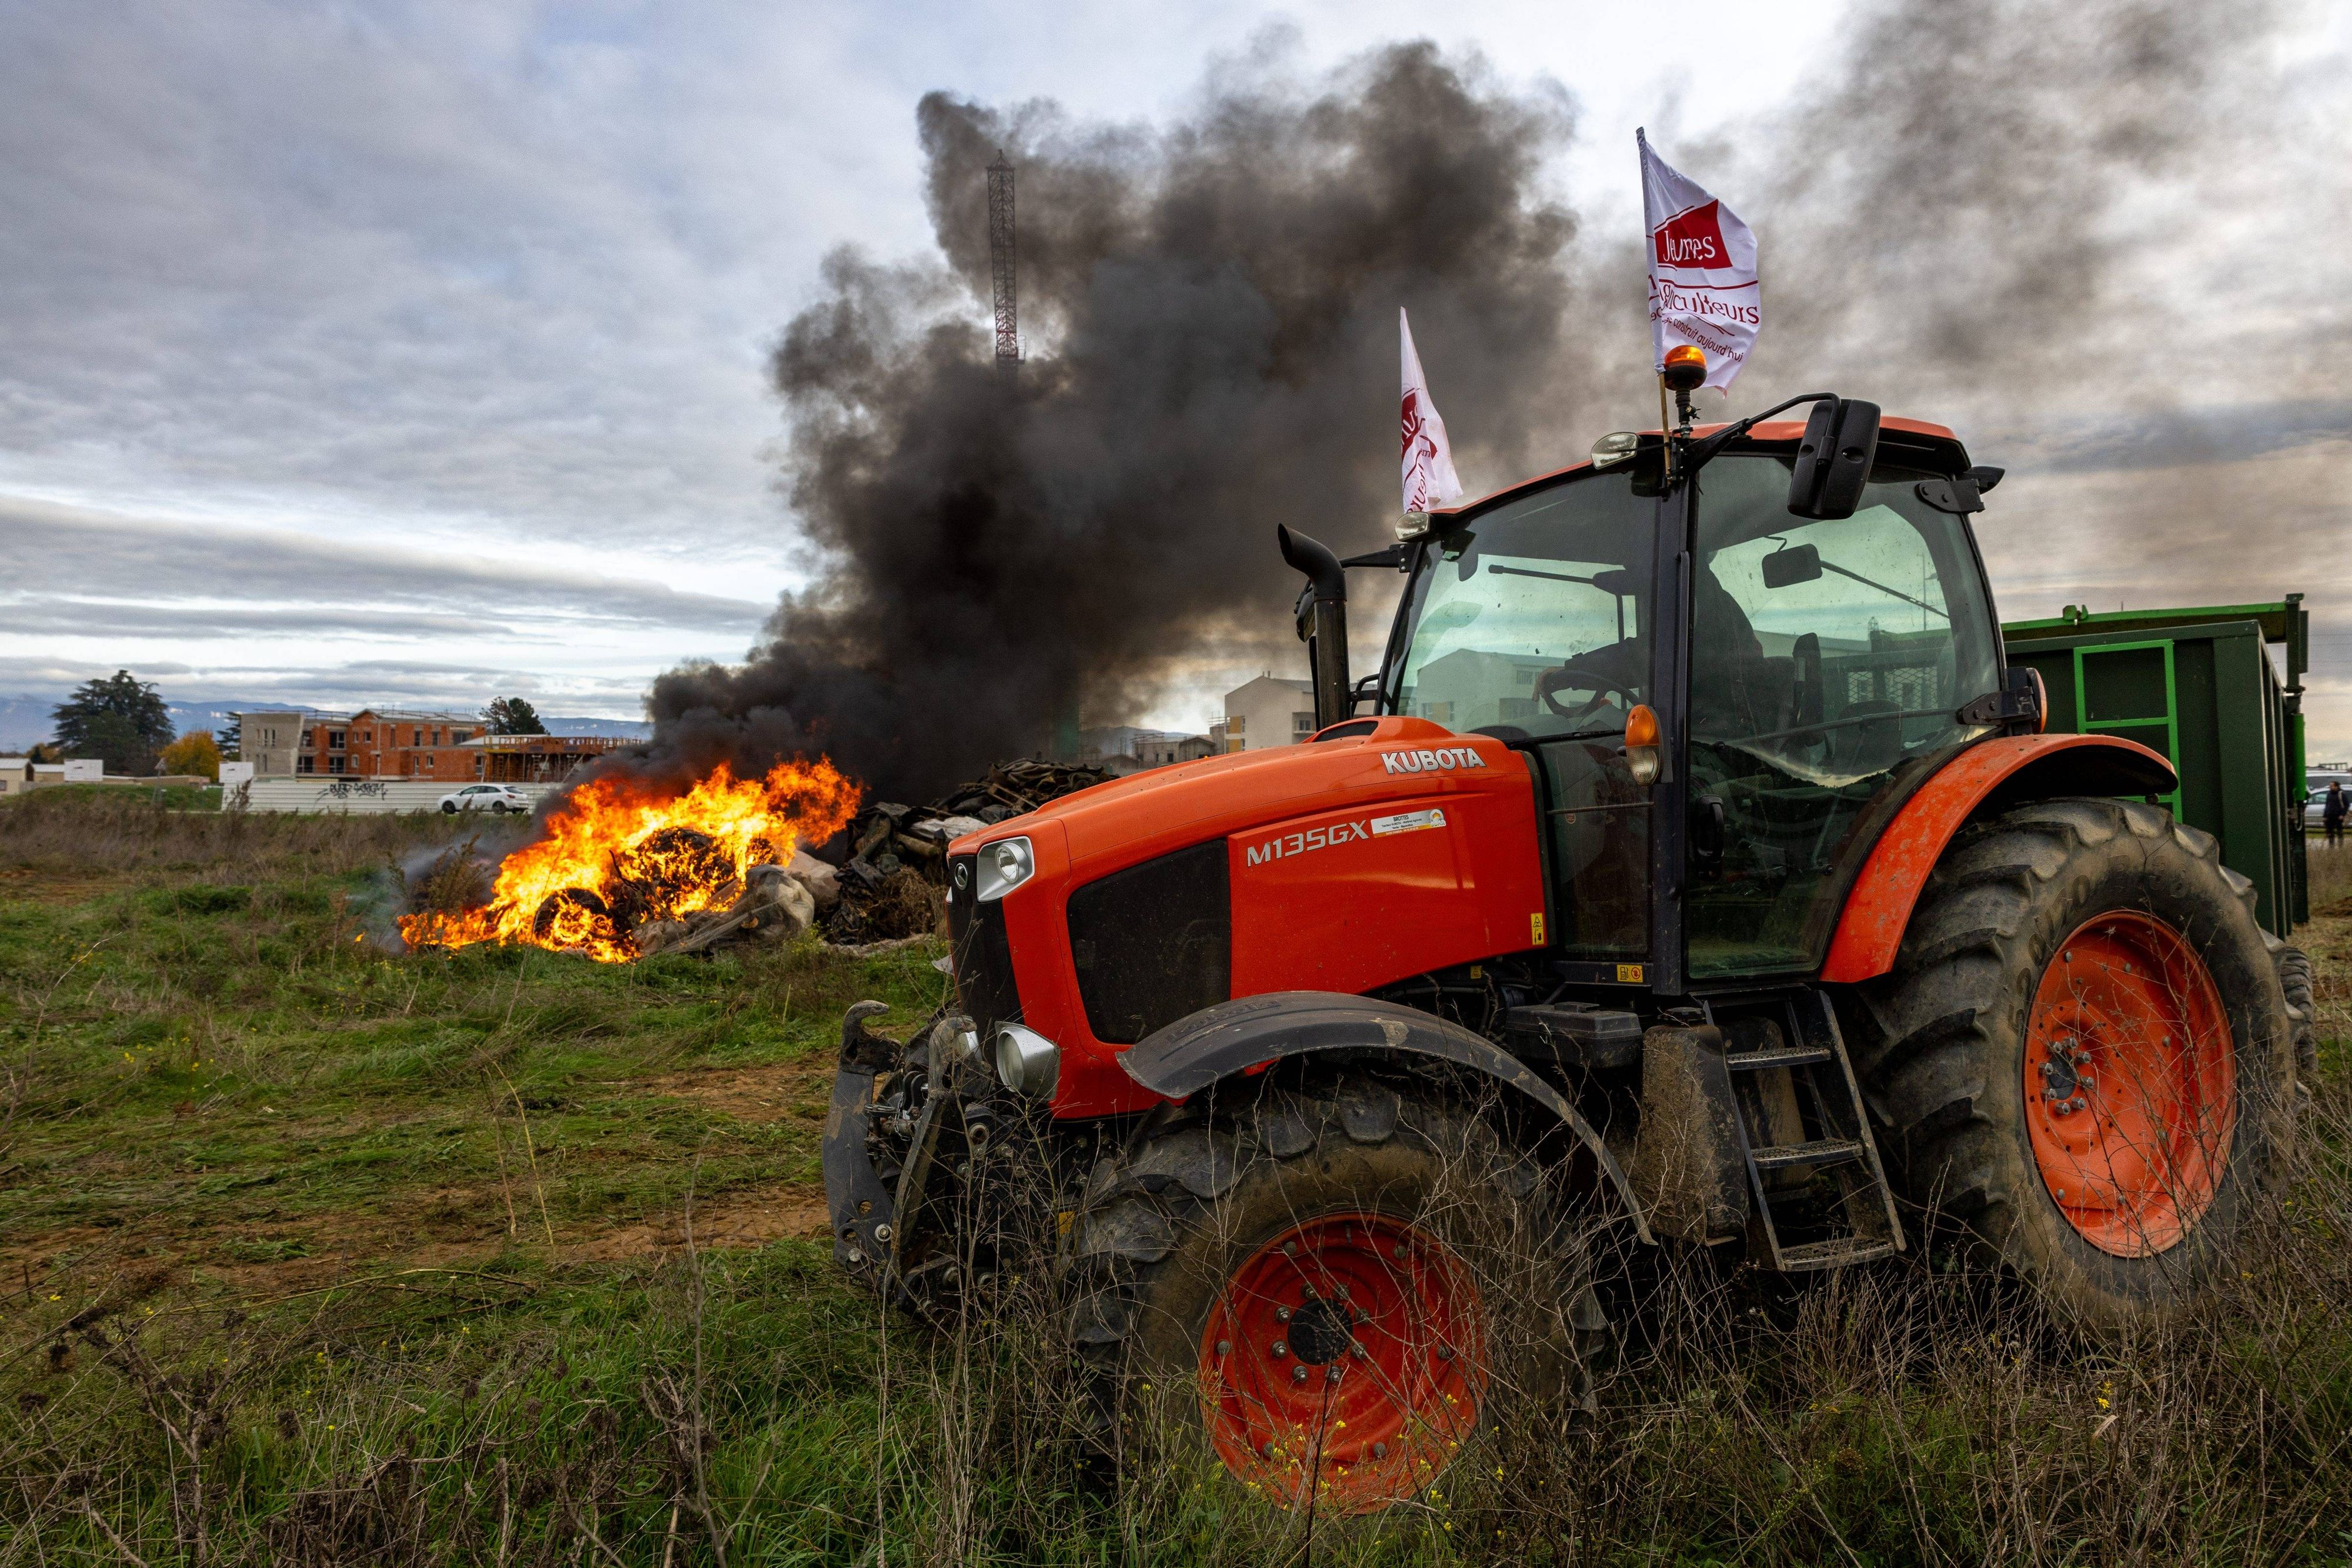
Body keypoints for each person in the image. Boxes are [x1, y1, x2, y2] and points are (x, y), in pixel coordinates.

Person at [2326, 781, 2348, 849]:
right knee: (2330, 832)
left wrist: (2342, 815)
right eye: (2330, 786)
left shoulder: (2341, 794)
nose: (2331, 787)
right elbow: (2327, 805)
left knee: (2339, 831)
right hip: (2330, 816)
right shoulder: (2329, 794)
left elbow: (2346, 805)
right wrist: (2325, 816)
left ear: (2336, 786)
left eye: (2332, 786)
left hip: (2338, 816)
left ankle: (2340, 846)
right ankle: (2331, 847)